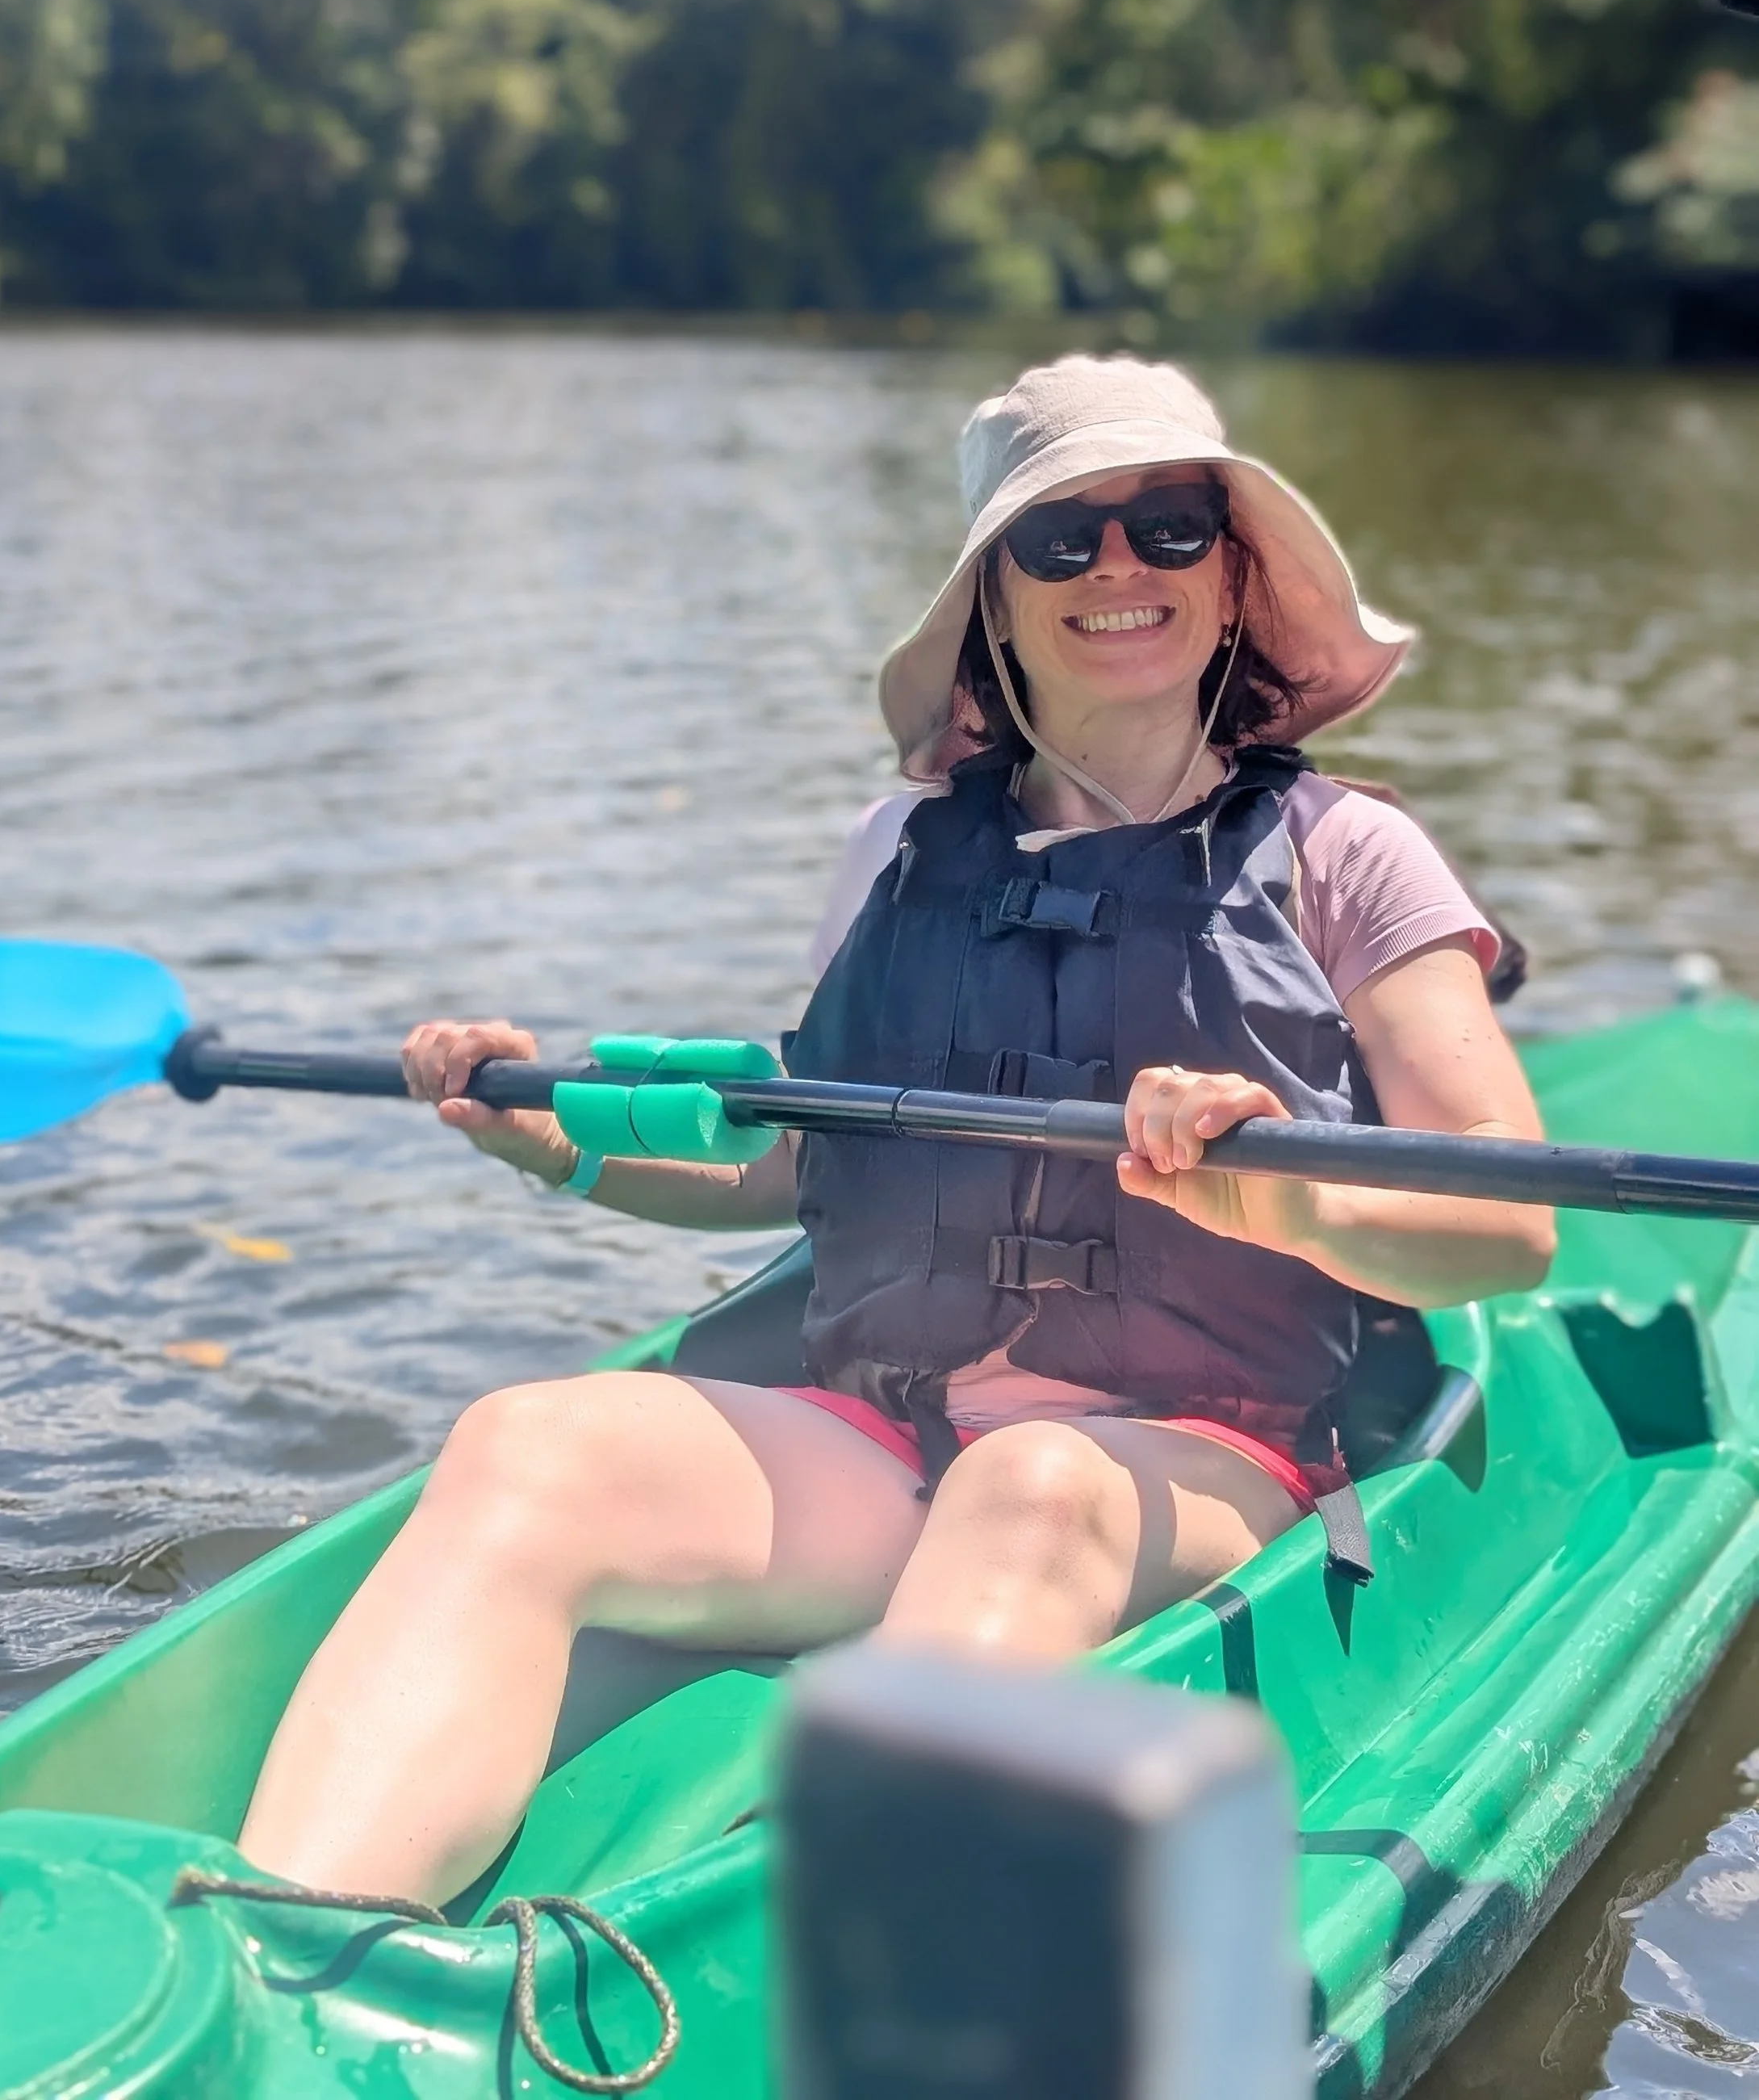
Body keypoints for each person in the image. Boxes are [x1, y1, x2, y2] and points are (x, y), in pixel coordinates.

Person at [240, 354, 1551, 1903]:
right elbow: (804, 1161)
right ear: (994, 600)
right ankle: (284, 1949)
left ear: (1232, 577)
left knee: (1034, 1484)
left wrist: (1282, 1203)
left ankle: (776, 1968)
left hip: (1203, 1458)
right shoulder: (898, 852)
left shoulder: (1350, 856)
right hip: (896, 1437)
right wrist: (558, 1143)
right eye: (1061, 540)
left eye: (1170, 527)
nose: (1120, 567)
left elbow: (1506, 1226)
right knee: (530, 1445)